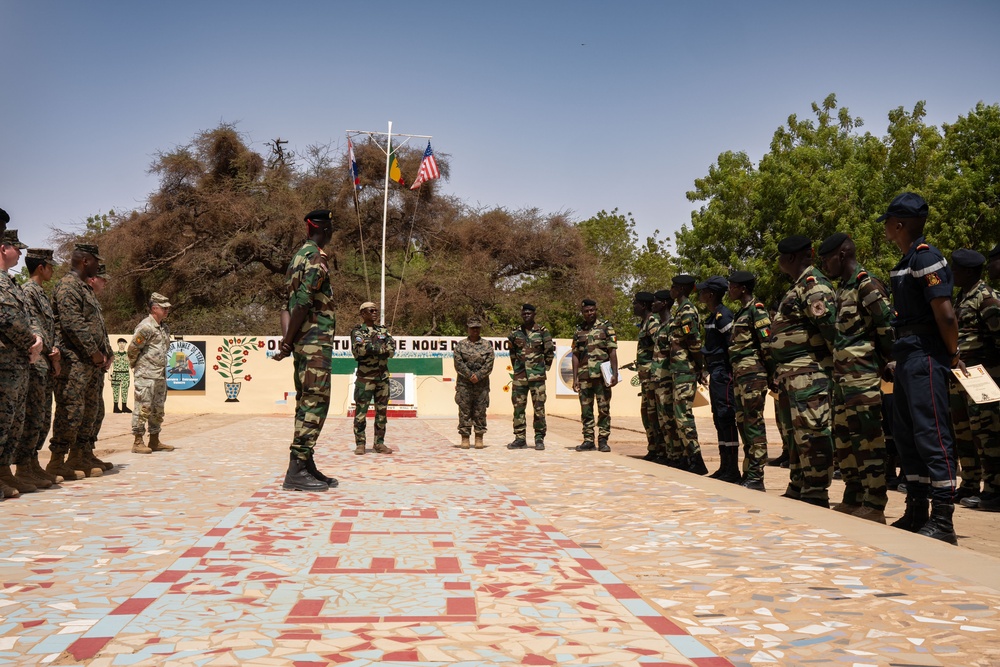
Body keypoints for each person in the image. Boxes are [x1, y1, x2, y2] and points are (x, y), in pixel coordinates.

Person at [882, 192, 960, 543]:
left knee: (931, 435)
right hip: (908, 354)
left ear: (899, 224)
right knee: (907, 434)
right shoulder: (905, 261)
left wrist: (951, 354)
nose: (884, 227)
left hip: (926, 354)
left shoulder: (926, 258)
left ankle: (943, 519)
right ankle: (916, 510)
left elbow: (945, 315)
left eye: (888, 222)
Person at [819, 232, 893, 523]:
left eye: (826, 259)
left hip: (862, 378)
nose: (825, 266)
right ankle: (854, 496)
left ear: (841, 255)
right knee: (845, 440)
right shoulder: (843, 289)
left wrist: (885, 362)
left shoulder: (866, 284)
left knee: (868, 439)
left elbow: (886, 326)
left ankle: (875, 503)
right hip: (842, 381)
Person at [769, 234, 838, 507]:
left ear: (791, 258)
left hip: (811, 374)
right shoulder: (797, 287)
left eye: (781, 257)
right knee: (796, 434)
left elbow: (830, 330)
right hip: (793, 375)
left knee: (813, 432)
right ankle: (799, 484)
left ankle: (816, 490)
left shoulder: (813, 286)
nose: (779, 262)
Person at [274, 210, 338, 492]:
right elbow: (301, 303)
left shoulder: (296, 258)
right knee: (315, 402)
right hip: (314, 343)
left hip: (302, 343)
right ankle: (297, 469)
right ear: (325, 230)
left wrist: (288, 341)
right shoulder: (316, 258)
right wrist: (288, 341)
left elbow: (285, 305)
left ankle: (306, 462)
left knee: (305, 401)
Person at [47, 243, 110, 482]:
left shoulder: (84, 289)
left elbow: (97, 327)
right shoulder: (68, 286)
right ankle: (57, 461)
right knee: (70, 411)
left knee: (90, 411)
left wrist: (106, 352)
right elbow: (73, 324)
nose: (97, 266)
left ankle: (81, 455)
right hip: (74, 361)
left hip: (90, 364)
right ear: (85, 261)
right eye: (95, 261)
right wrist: (94, 352)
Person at [948, 249, 1000, 512]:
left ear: (968, 271)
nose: (951, 273)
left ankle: (995, 489)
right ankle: (969, 484)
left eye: (955, 269)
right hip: (961, 378)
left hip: (984, 378)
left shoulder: (986, 298)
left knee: (987, 433)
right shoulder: (962, 296)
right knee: (964, 433)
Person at [0, 230, 44, 498]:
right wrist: (32, 343)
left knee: (12, 423)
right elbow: (6, 319)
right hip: (6, 363)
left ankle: (5, 473)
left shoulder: (12, 283)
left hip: (18, 363)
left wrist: (37, 340)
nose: (21, 253)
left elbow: (27, 316)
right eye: (17, 248)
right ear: (4, 248)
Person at [19, 248, 65, 487]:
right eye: (50, 266)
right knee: (33, 415)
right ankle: (24, 467)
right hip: (38, 362)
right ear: (40, 267)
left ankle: (33, 463)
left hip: (46, 360)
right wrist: (50, 352)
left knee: (43, 416)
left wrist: (55, 349)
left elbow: (50, 327)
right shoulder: (28, 291)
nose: (52, 270)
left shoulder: (41, 293)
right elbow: (34, 326)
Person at [726, 271, 774, 491]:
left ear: (743, 288)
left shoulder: (757, 310)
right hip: (740, 375)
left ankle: (757, 475)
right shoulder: (741, 313)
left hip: (753, 375)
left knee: (753, 422)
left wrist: (771, 374)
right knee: (743, 423)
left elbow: (767, 344)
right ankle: (748, 472)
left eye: (732, 286)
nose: (729, 290)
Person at [698, 276, 740, 482]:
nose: (700, 294)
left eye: (703, 291)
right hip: (715, 372)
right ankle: (725, 466)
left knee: (726, 417)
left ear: (711, 294)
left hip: (724, 372)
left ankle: (732, 469)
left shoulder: (723, 316)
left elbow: (732, 344)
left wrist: (729, 373)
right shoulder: (712, 317)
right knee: (718, 419)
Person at [666, 275, 707, 473]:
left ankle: (696, 459)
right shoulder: (680, 311)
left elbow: (694, 342)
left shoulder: (688, 311)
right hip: (678, 370)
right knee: (678, 416)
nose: (671, 289)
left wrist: (700, 367)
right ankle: (686, 457)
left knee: (683, 416)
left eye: (674, 287)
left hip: (686, 370)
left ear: (681, 290)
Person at [127, 291, 174, 455]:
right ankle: (138, 441)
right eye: (164, 308)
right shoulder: (146, 326)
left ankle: (154, 440)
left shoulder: (164, 328)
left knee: (158, 408)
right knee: (143, 407)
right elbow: (133, 349)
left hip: (160, 375)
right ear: (155, 308)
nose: (167, 311)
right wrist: (138, 367)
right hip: (146, 375)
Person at [572, 299, 618, 452]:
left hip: (602, 376)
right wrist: (575, 378)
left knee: (604, 409)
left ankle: (603, 440)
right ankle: (588, 440)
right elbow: (575, 355)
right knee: (586, 410)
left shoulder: (606, 327)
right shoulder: (579, 330)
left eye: (592, 310)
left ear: (596, 310)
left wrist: (615, 373)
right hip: (584, 376)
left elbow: (612, 352)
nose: (589, 313)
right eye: (586, 311)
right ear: (583, 312)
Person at [506, 304, 554, 450]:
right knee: (518, 408)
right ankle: (520, 438)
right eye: (524, 313)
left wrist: (542, 369)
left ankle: (539, 438)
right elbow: (512, 353)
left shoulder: (543, 332)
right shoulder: (515, 332)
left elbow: (549, 352)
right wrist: (517, 369)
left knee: (539, 408)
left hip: (537, 378)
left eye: (529, 313)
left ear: (534, 314)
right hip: (520, 377)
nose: (526, 315)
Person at [351, 302, 395, 456]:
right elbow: (360, 351)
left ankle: (379, 443)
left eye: (376, 310)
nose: (375, 312)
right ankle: (360, 443)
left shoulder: (382, 330)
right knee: (361, 413)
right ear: (363, 313)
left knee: (382, 413)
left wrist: (374, 347)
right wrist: (379, 348)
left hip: (382, 378)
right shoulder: (358, 331)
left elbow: (392, 350)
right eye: (371, 310)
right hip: (365, 378)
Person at [453, 316, 495, 449]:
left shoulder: (486, 345)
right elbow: (458, 363)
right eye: (472, 328)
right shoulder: (461, 345)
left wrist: (479, 375)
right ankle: (465, 437)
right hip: (464, 384)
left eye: (477, 328)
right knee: (464, 410)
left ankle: (479, 437)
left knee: (480, 410)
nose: (475, 330)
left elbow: (489, 363)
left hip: (481, 384)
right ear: (468, 329)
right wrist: (470, 375)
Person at [630, 292, 663, 462]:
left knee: (653, 413)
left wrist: (653, 369)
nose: (633, 306)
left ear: (643, 305)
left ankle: (660, 449)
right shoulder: (644, 323)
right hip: (645, 378)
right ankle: (653, 448)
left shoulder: (652, 322)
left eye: (635, 303)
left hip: (652, 376)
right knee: (647, 413)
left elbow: (660, 345)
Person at [650, 289, 679, 466]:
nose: (653, 304)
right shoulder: (661, 326)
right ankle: (670, 454)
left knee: (670, 418)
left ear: (665, 303)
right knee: (663, 420)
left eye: (656, 301)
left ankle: (677, 455)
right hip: (658, 379)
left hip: (668, 379)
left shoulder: (671, 325)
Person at [111, 338, 132, 413]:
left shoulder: (128, 355)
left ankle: (124, 406)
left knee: (124, 390)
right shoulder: (114, 354)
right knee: (116, 391)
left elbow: (131, 365)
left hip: (125, 374)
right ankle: (115, 407)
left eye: (123, 343)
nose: (122, 344)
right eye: (120, 343)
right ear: (118, 344)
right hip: (116, 373)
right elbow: (111, 364)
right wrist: (110, 374)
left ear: (125, 344)